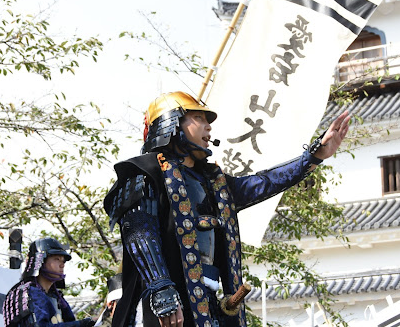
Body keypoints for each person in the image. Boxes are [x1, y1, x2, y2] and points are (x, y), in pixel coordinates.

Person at [103, 91, 350, 327]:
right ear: (172, 123)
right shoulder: (144, 173)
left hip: (209, 303)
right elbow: (139, 234)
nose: (208, 126)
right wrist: (162, 289)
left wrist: (314, 157)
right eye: (198, 118)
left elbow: (264, 183)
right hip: (166, 306)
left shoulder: (213, 181)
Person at [3, 237, 95, 327]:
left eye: (63, 261)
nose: (62, 265)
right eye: (57, 259)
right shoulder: (28, 292)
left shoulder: (56, 297)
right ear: (41, 260)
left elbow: (70, 321)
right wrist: (82, 324)